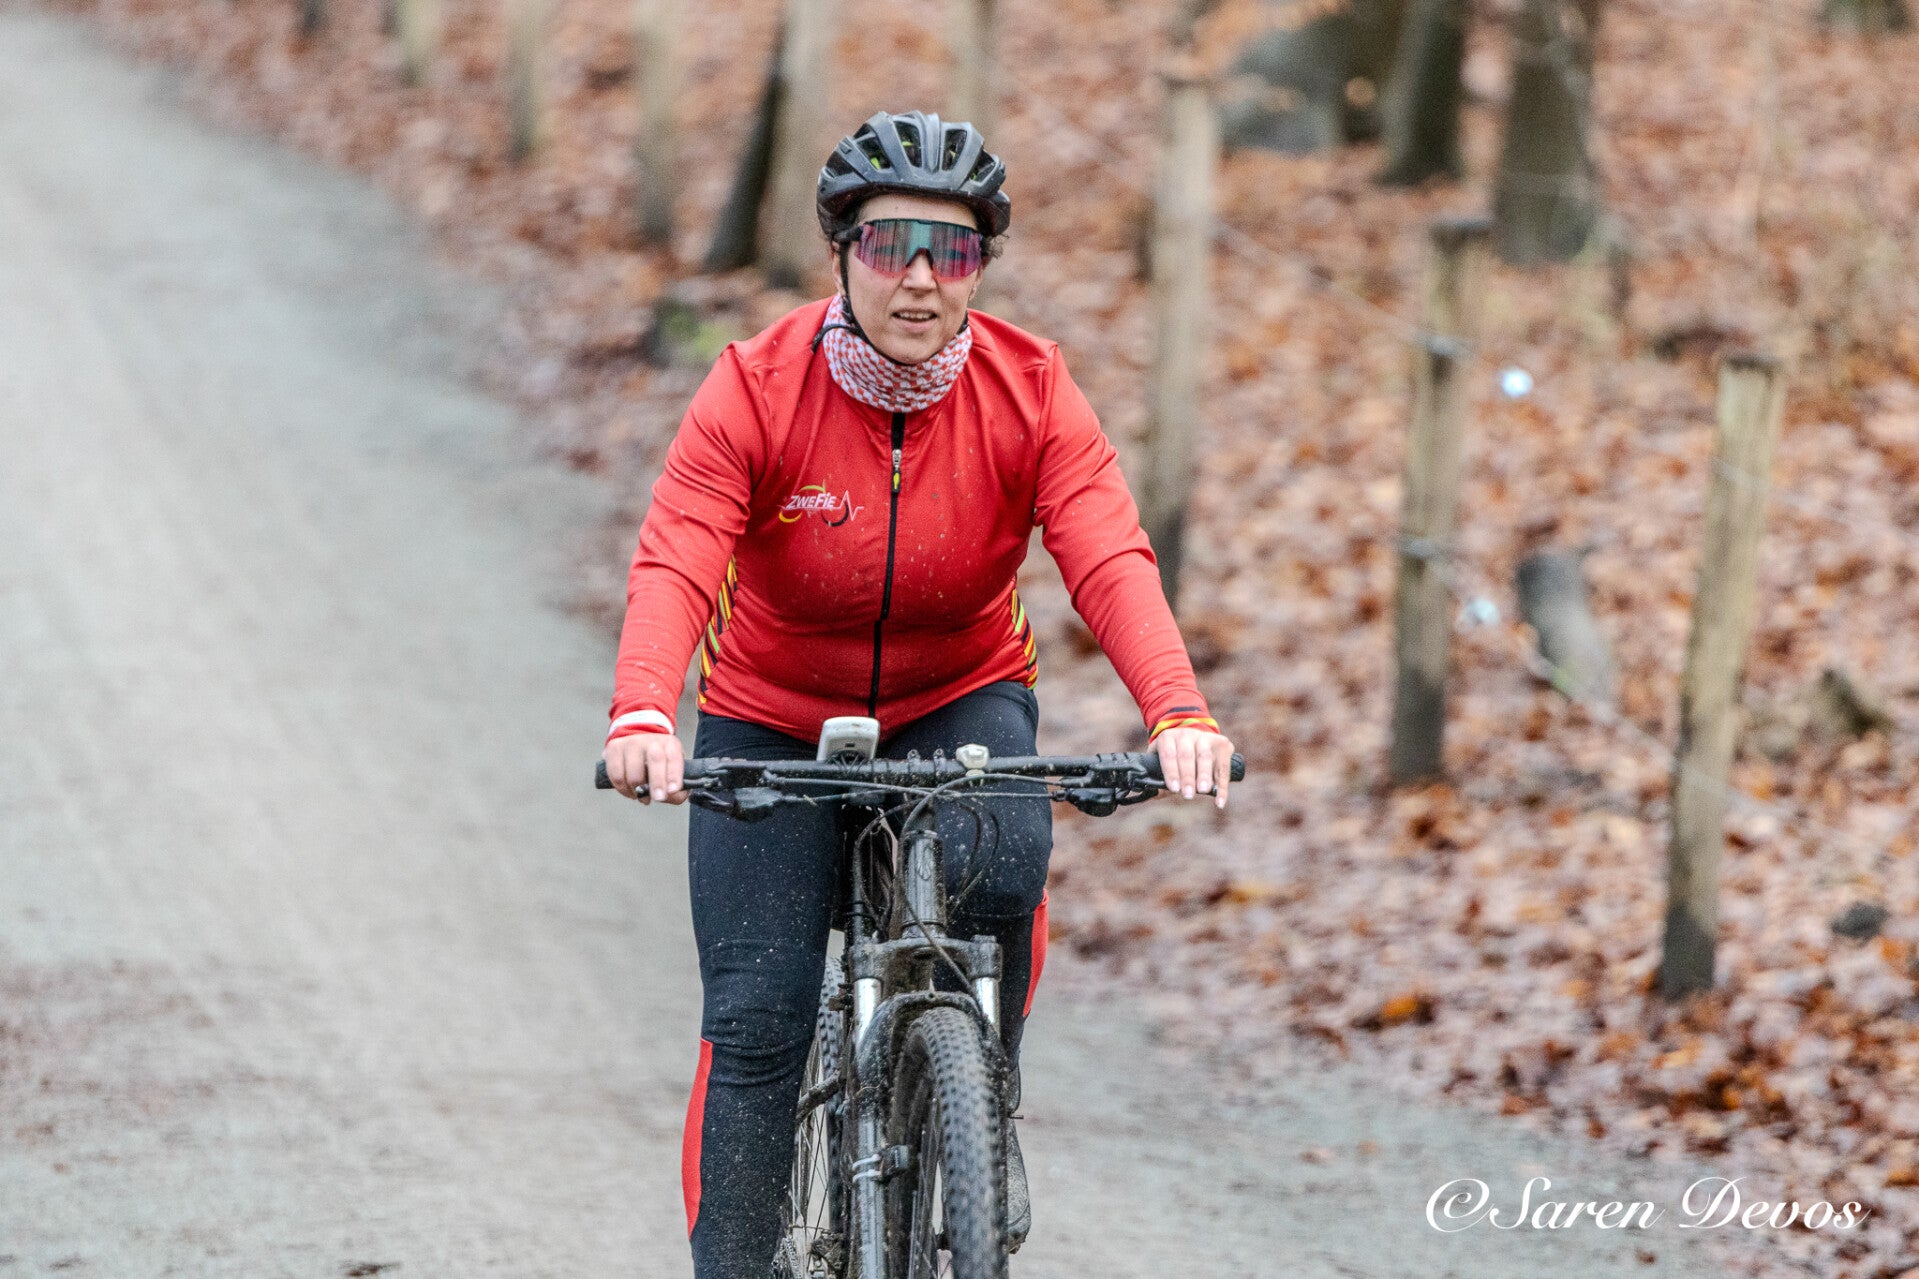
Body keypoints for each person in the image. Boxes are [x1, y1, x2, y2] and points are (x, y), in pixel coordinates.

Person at [602, 109, 1234, 1278]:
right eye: (891, 245)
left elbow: (1105, 551)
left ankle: (975, 1098)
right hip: (774, 713)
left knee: (1006, 857)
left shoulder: (1030, 389)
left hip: (959, 692)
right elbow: (679, 551)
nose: (919, 278)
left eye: (952, 251)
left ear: (978, 268)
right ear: (842, 252)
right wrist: (643, 705)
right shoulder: (754, 387)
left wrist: (1175, 708)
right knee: (756, 1020)